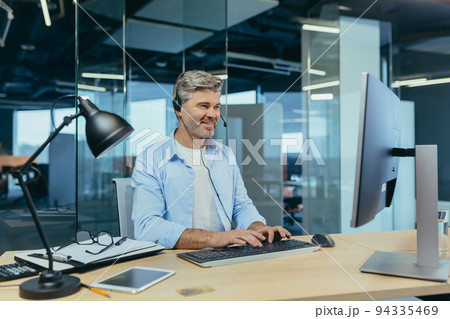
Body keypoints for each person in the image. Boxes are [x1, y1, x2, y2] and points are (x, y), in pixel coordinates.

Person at [131, 70, 291, 249]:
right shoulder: (151, 159)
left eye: (216, 107)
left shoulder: (225, 154)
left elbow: (241, 206)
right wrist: (214, 238)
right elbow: (147, 227)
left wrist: (258, 228)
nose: (213, 114)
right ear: (179, 109)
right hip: (177, 262)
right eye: (203, 106)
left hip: (223, 258)